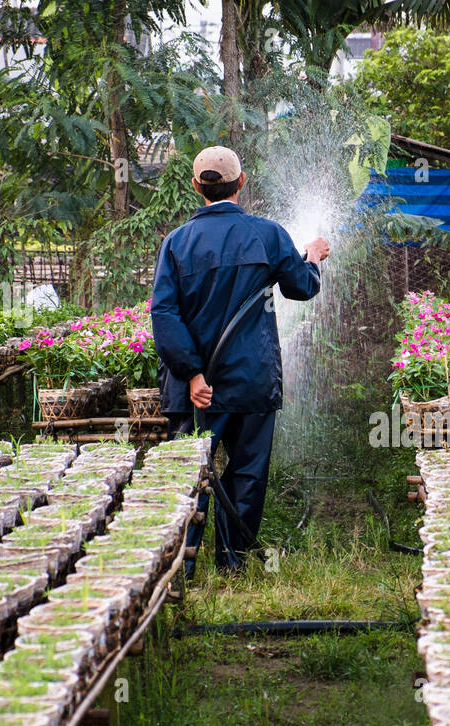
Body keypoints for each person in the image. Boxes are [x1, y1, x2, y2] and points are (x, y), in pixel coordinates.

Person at [151, 146, 330, 578]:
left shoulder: (176, 243)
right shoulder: (267, 235)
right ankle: (233, 563)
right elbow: (301, 288)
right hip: (251, 381)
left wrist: (192, 373)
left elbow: (164, 314)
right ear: (241, 182)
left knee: (190, 474)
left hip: (197, 391)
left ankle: (184, 568)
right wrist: (314, 259)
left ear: (196, 187)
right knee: (246, 472)